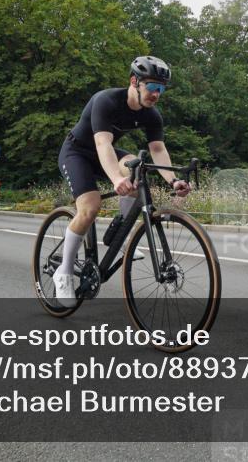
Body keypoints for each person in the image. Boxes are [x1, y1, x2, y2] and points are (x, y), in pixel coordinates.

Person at [55, 56, 192, 304]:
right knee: (90, 207)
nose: (156, 94)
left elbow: (158, 150)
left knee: (137, 169)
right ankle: (63, 272)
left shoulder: (152, 115)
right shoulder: (106, 100)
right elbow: (102, 142)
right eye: (152, 86)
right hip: (77, 152)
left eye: (161, 89)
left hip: (102, 154)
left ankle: (117, 235)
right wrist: (117, 178)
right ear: (134, 81)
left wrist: (173, 181)